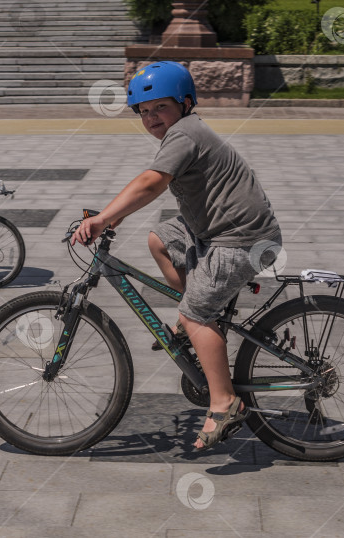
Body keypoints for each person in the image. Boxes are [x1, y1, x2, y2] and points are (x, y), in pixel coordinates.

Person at [71, 61, 282, 451]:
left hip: (242, 239)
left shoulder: (185, 132)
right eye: (144, 111)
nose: (152, 117)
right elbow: (147, 183)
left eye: (160, 108)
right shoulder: (183, 132)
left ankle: (224, 402)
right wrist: (111, 214)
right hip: (215, 232)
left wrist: (103, 218)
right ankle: (201, 324)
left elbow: (151, 182)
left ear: (185, 103)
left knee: (194, 313)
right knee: (160, 239)